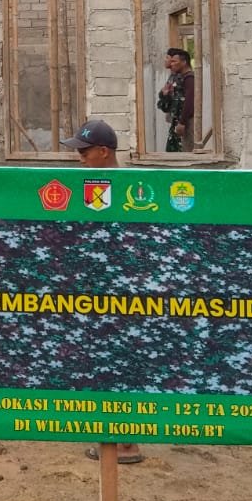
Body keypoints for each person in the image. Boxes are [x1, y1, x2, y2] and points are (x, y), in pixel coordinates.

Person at [63, 118, 144, 465]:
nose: (80, 158)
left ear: (103, 152)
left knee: (118, 364)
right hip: (100, 294)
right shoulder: (96, 186)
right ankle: (114, 436)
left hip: (119, 298)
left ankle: (124, 443)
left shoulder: (125, 191)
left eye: (84, 152)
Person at [157, 48, 196, 153]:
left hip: (186, 122)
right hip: (176, 121)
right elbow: (164, 96)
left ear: (184, 62)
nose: (171, 63)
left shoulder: (189, 78)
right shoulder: (177, 77)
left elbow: (189, 102)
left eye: (174, 61)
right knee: (174, 151)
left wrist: (182, 123)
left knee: (187, 151)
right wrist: (164, 94)